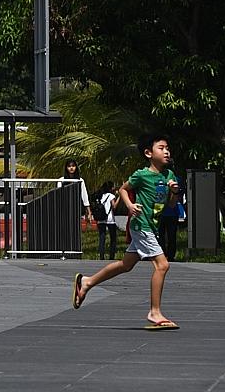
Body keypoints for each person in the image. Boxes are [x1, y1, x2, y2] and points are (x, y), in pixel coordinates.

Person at [72, 134, 182, 329]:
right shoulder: (141, 175)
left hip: (152, 226)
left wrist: (174, 192)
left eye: (168, 148)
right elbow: (123, 189)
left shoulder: (169, 176)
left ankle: (87, 282)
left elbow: (171, 204)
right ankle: (154, 312)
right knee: (162, 265)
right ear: (148, 153)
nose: (167, 151)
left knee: (125, 264)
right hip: (141, 225)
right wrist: (130, 205)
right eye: (161, 148)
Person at [94, 181, 119, 258]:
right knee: (113, 238)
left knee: (102, 238)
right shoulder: (111, 196)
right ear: (111, 188)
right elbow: (114, 206)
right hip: (110, 219)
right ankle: (112, 256)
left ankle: (101, 255)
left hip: (101, 219)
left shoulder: (100, 195)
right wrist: (119, 197)